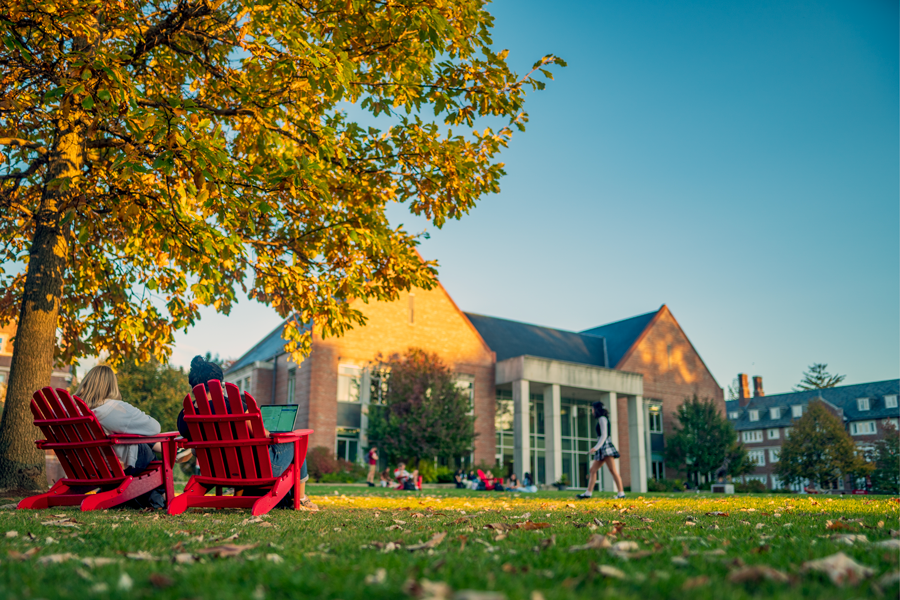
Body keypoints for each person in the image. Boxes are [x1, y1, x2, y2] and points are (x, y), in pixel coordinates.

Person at [176, 355, 318, 511]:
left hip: (215, 471)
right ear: (218, 383)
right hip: (255, 470)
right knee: (298, 441)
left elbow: (195, 447)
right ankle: (300, 498)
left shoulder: (185, 416)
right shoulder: (235, 406)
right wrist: (275, 434)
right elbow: (262, 435)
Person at [74, 365, 182, 508]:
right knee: (143, 443)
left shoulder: (74, 410)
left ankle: (156, 492)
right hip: (117, 465)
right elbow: (154, 427)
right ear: (111, 386)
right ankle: (163, 494)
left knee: (133, 435)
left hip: (87, 466)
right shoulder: (114, 408)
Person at [576, 401, 625, 500]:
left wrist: (596, 447)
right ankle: (588, 493)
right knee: (592, 470)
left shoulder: (602, 419)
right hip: (602, 447)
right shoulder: (601, 419)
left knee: (612, 470)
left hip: (605, 446)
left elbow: (604, 435)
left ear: (596, 409)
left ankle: (621, 494)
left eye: (592, 408)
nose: (592, 411)